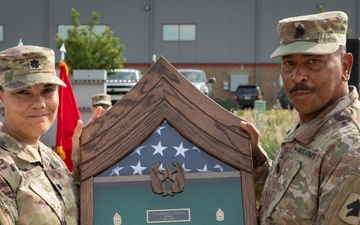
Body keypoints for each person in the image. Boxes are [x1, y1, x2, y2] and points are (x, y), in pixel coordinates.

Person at [240, 11, 360, 224]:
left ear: (345, 67)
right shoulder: (316, 123)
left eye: (313, 61)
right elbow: (284, 200)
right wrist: (254, 158)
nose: (297, 76)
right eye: (289, 63)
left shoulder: (348, 148)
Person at [0, 45, 102, 224]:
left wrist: (83, 160)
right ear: (1, 96)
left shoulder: (47, 155)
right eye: (23, 92)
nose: (39, 104)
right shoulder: (4, 167)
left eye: (48, 90)